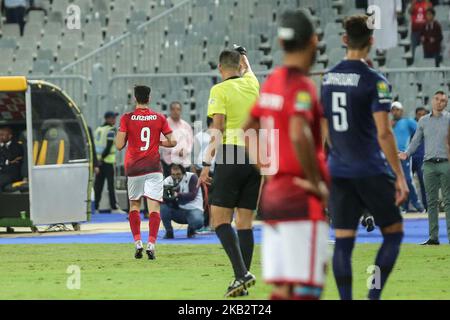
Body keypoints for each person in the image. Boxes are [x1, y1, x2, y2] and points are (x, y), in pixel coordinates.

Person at [243, 9, 329, 300]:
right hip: (301, 199)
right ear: (313, 41)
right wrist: (316, 182)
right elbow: (297, 131)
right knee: (308, 287)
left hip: (275, 198)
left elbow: (247, 128)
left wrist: (265, 167)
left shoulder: (273, 81)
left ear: (280, 44)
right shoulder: (302, 86)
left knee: (283, 289)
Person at [321, 14, 408, 300]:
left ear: (344, 40)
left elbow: (326, 130)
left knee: (344, 242)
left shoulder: (328, 78)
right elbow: (384, 133)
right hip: (370, 169)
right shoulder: (375, 81)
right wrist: (398, 175)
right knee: (393, 234)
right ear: (371, 42)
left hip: (339, 170)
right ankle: (373, 293)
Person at [198, 47, 260, 298]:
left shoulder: (219, 90)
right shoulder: (252, 83)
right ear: (242, 66)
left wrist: (205, 163)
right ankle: (241, 283)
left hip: (232, 153)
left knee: (219, 220)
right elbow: (249, 68)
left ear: (220, 68)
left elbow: (218, 127)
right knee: (245, 224)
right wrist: (244, 55)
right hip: (256, 156)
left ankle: (241, 274)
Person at [116, 85, 177, 259]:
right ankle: (151, 244)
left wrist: (127, 136)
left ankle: (137, 243)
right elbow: (173, 141)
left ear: (135, 98)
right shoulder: (159, 118)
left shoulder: (127, 118)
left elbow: (119, 145)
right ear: (149, 98)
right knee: (154, 208)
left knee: (134, 205)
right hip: (153, 168)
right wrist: (158, 143)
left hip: (134, 168)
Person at [400, 91, 450, 245]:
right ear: (432, 101)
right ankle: (433, 237)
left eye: (443, 100)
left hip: (446, 163)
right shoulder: (422, 121)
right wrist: (407, 154)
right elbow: (416, 141)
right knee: (431, 202)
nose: (440, 102)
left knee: (448, 201)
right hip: (428, 164)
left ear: (446, 103)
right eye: (437, 99)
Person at [391, 101, 424, 213]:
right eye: (393, 110)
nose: (395, 112)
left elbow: (421, 131)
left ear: (401, 111)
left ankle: (418, 205)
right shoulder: (388, 123)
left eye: (397, 109)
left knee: (407, 180)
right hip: (390, 156)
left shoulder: (408, 121)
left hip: (403, 155)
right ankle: (401, 206)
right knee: (393, 182)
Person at [161, 163, 204, 239]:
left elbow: (192, 195)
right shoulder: (167, 181)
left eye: (178, 174)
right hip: (178, 210)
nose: (175, 176)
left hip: (193, 208)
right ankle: (169, 232)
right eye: (173, 174)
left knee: (198, 222)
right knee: (163, 207)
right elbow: (162, 198)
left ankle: (191, 229)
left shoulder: (192, 177)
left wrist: (177, 195)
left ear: (184, 173)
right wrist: (166, 197)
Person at [94, 111, 125, 214]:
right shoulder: (111, 130)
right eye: (112, 118)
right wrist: (102, 158)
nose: (114, 120)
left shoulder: (98, 129)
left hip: (99, 162)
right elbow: (108, 147)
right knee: (110, 185)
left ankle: (96, 207)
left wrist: (98, 160)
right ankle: (114, 207)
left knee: (98, 185)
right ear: (107, 119)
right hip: (108, 160)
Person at [160, 102, 194, 177]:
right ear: (170, 111)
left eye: (178, 109)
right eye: (173, 109)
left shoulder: (186, 126)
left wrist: (185, 151)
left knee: (185, 183)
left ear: (181, 111)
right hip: (169, 161)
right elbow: (162, 143)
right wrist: (176, 151)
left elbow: (190, 142)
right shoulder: (165, 125)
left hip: (184, 160)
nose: (176, 111)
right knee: (169, 183)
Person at [411, 107, 429, 211]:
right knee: (406, 182)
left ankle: (427, 207)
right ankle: (404, 208)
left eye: (423, 114)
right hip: (410, 157)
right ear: (416, 115)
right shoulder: (411, 125)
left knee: (423, 182)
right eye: (419, 114)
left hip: (422, 158)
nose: (421, 116)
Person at [0, 127, 23, 191]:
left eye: (2, 135)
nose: (0, 137)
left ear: (10, 136)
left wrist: (2, 146)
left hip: (11, 174)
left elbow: (11, 157)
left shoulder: (17, 146)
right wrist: (8, 162)